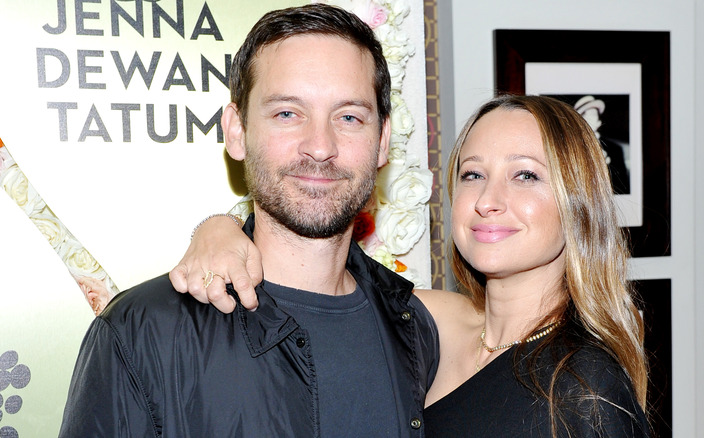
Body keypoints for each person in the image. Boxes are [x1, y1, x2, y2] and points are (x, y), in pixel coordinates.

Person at [59, 4, 438, 437]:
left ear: (383, 140)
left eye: (349, 116)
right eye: (287, 114)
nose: (319, 146)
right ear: (236, 130)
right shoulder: (140, 332)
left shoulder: (415, 327)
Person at [176, 95, 651, 436]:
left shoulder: (584, 389)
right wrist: (220, 228)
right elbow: (321, 268)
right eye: (473, 174)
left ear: (579, 203)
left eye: (525, 175)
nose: (488, 200)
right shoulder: (431, 321)